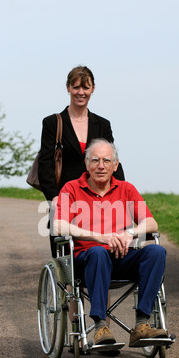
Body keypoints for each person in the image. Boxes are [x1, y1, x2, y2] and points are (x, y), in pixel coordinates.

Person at [54, 138, 168, 347]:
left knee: (156, 252)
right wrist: (98, 236)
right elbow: (59, 226)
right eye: (95, 160)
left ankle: (142, 324)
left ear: (115, 166)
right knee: (98, 252)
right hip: (86, 260)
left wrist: (130, 233)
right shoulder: (71, 189)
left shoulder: (126, 189)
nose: (101, 166)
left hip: (122, 257)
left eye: (107, 161)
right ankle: (100, 327)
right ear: (86, 164)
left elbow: (151, 223)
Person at [37, 65, 125, 257]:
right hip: (66, 199)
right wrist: (54, 199)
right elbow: (45, 164)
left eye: (85, 88)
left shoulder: (102, 124)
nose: (81, 92)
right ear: (68, 88)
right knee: (67, 259)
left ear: (93, 89)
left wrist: (121, 192)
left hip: (97, 197)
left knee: (103, 252)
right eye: (76, 87)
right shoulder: (53, 123)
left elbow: (112, 160)